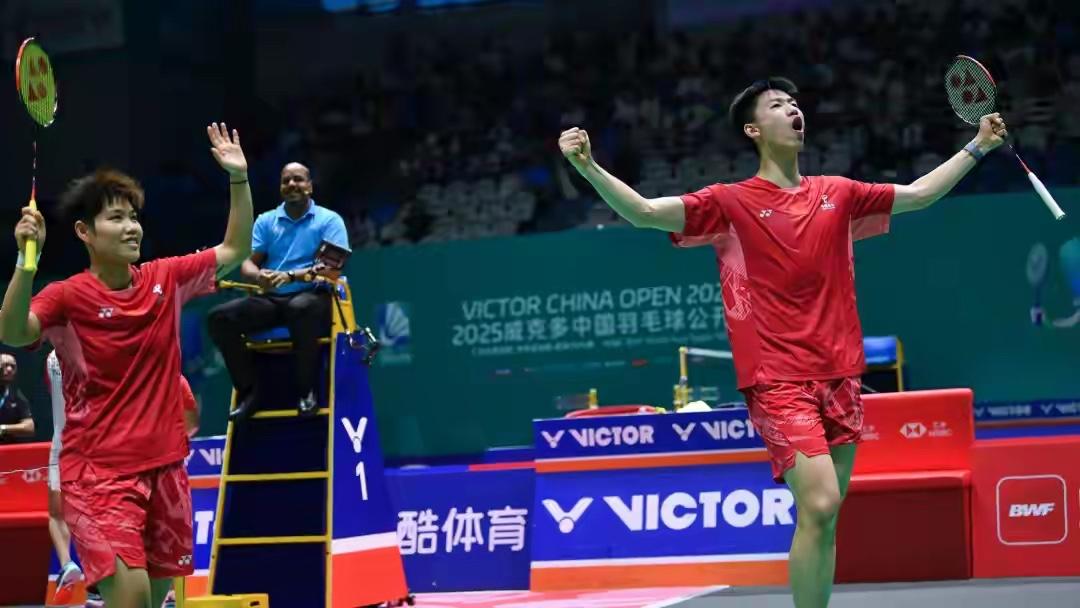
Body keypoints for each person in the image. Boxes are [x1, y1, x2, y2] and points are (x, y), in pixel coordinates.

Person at [558, 77, 1007, 608]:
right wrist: (588, 167)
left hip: (841, 373)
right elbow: (646, 213)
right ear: (754, 130)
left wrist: (979, 145)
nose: (793, 110)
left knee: (826, 517)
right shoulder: (729, 203)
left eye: (795, 103)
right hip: (777, 379)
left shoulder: (838, 193)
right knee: (819, 503)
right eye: (777, 105)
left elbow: (919, 194)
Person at [0, 123, 252, 608]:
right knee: (131, 599)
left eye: (134, 217)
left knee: (157, 601)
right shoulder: (67, 297)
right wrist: (25, 264)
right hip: (98, 475)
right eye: (116, 218)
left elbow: (235, 250)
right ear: (85, 232)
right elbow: (13, 331)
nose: (132, 227)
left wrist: (238, 179)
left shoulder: (165, 278)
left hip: (165, 469)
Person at [207, 162, 349, 420]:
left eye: (298, 179)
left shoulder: (330, 220)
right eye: (286, 181)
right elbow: (248, 263)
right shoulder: (266, 221)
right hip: (272, 300)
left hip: (314, 297)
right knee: (220, 318)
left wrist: (290, 276)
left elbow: (331, 268)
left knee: (300, 308)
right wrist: (258, 276)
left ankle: (307, 391)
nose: (292, 184)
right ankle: (250, 392)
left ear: (310, 187)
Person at [0, 352, 34, 443]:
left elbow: (29, 427)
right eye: (5, 365)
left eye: (13, 366)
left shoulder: (17, 396)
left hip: (6, 449)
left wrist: (3, 429)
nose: (9, 369)